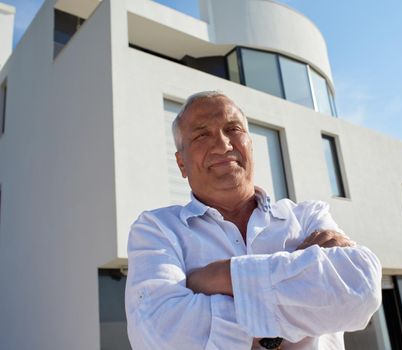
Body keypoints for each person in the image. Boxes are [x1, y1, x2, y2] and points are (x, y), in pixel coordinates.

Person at [125, 91, 382, 349]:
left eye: (232, 128)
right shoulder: (157, 229)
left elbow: (361, 289)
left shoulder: (307, 217)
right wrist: (298, 272)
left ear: (250, 144)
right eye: (202, 134)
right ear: (182, 164)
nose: (223, 144)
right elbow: (161, 335)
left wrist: (216, 277)